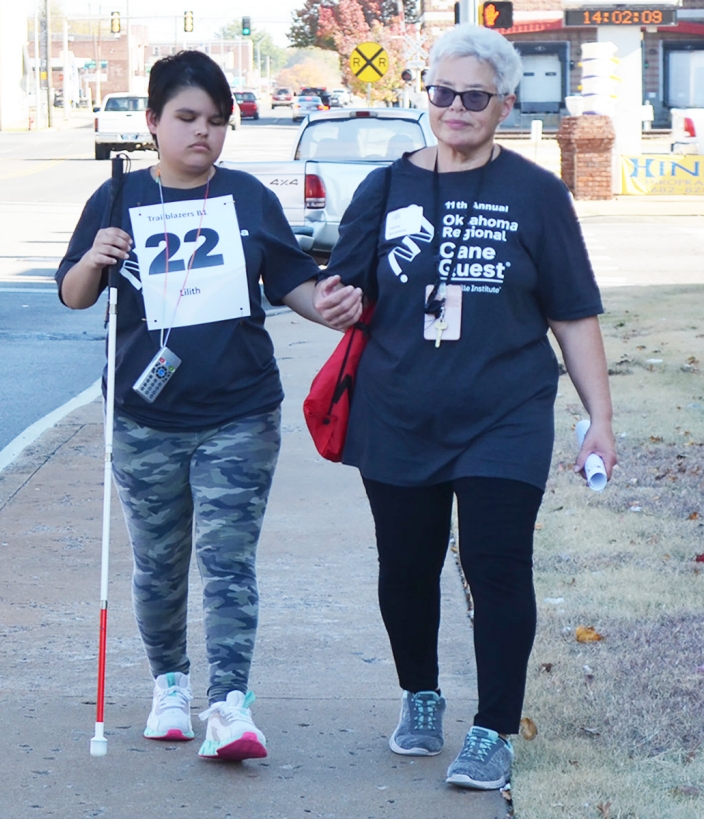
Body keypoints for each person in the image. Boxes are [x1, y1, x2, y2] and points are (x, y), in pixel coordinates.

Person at [315, 25, 618, 790]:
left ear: (504, 105)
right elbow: (342, 292)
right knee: (407, 569)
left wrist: (600, 422)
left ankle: (493, 729)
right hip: (398, 410)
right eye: (443, 93)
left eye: (474, 97)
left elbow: (573, 312)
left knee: (497, 564)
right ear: (429, 97)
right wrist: (335, 302)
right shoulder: (385, 189)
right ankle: (421, 692)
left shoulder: (536, 195)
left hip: (504, 413)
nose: (455, 108)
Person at [56, 50, 359, 761]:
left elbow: (293, 282)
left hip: (239, 411)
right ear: (153, 121)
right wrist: (95, 257)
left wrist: (338, 307)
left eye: (218, 122)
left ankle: (229, 703)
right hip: (144, 415)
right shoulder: (117, 197)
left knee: (227, 560)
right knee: (160, 562)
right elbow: (73, 294)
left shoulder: (249, 197)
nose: (204, 134)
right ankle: (170, 682)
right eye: (188, 118)